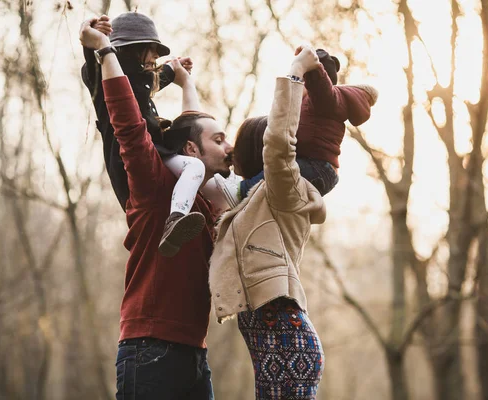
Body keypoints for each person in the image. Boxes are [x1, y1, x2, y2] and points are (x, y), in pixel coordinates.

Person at [79, 16, 233, 400]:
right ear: (193, 149)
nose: (228, 145)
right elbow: (128, 124)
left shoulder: (209, 200)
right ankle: (173, 222)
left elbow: (192, 127)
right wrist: (101, 49)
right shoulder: (153, 185)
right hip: (150, 350)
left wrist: (185, 81)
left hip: (194, 353)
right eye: (220, 139)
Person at [209, 45, 327, 399]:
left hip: (288, 347)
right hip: (274, 349)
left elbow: (278, 142)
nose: (229, 152)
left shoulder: (280, 190)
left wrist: (295, 74)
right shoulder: (248, 203)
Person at [81, 13, 223, 257]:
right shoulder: (108, 79)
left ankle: (213, 220)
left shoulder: (142, 81)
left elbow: (152, 79)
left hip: (157, 153)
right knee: (195, 168)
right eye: (152, 50)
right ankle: (176, 219)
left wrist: (176, 70)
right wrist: (94, 42)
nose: (157, 57)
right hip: (129, 161)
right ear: (134, 50)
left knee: (207, 177)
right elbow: (96, 68)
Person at [214, 48, 378, 208]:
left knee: (276, 174)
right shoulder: (315, 105)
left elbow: (319, 88)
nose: (298, 86)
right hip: (316, 166)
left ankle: (242, 191)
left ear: (313, 81)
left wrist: (311, 65)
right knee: (279, 172)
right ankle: (243, 189)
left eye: (303, 81)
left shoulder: (326, 100)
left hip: (318, 167)